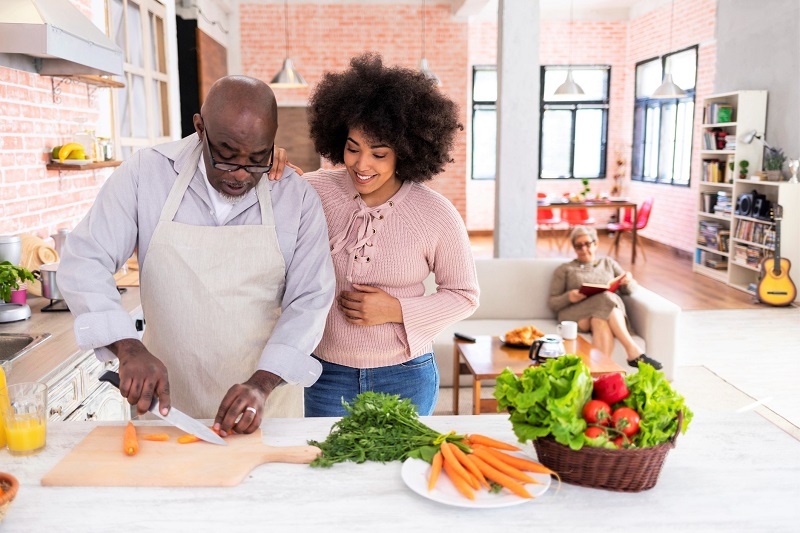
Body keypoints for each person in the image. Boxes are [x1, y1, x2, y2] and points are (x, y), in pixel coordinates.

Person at [57, 76, 335, 433]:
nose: (240, 173)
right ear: (200, 127)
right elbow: (84, 258)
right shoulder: (146, 175)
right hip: (165, 409)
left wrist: (262, 384)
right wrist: (126, 346)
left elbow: (310, 300)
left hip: (266, 408)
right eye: (227, 155)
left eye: (257, 159)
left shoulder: (295, 198)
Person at [298, 53, 480, 416]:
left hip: (405, 374)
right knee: (330, 471)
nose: (361, 165)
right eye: (352, 148)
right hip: (325, 372)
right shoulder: (311, 191)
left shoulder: (436, 213)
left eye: (379, 154)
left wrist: (396, 309)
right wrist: (270, 169)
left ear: (406, 152)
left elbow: (465, 295)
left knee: (399, 470)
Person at [548, 226, 662, 370]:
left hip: (599, 314)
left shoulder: (608, 264)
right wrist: (569, 297)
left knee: (600, 320)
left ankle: (600, 372)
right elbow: (552, 303)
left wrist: (628, 281)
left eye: (587, 244)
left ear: (595, 244)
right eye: (578, 246)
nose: (583, 249)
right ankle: (632, 350)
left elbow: (630, 290)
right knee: (606, 297)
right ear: (574, 248)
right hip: (575, 315)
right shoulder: (565, 269)